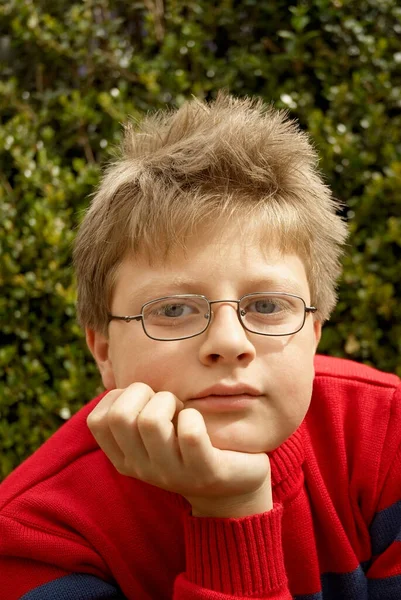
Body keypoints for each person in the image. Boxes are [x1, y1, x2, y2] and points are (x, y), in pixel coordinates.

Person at [0, 92, 400, 600]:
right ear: (103, 350)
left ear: (314, 330)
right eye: (172, 310)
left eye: (269, 306)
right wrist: (229, 510)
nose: (229, 343)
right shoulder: (33, 537)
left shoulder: (387, 435)